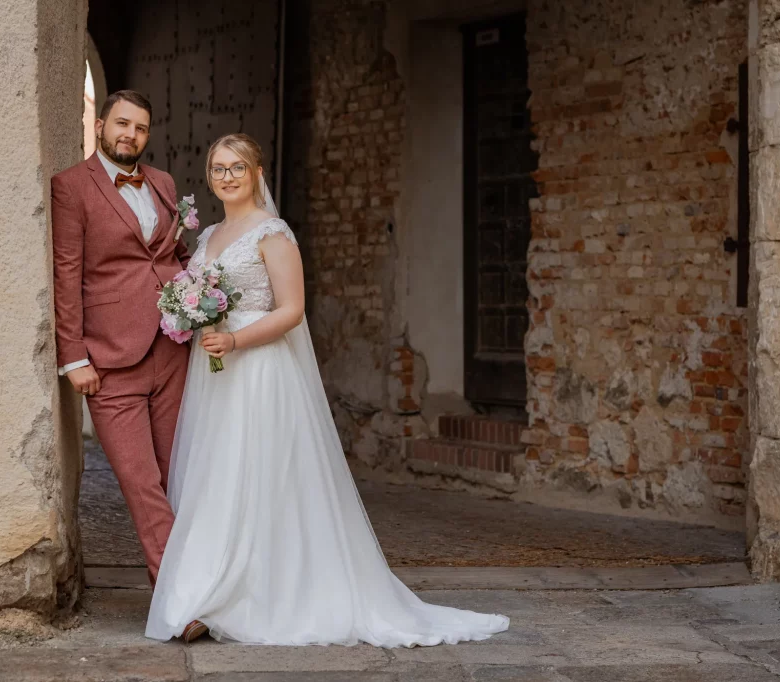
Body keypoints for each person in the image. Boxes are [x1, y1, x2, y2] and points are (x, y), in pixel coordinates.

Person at [145, 133, 510, 647]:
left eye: (237, 168)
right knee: (218, 475)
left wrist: (235, 338)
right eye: (218, 168)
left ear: (257, 173)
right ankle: (209, 591)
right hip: (215, 374)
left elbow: (291, 310)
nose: (226, 177)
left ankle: (267, 592)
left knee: (262, 475)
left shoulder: (272, 233)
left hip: (259, 368)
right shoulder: (209, 239)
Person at [50, 90, 204, 639]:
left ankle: (194, 591)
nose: (130, 136)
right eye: (121, 124)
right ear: (100, 127)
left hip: (172, 349)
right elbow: (66, 275)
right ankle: (181, 608)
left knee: (178, 476)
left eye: (140, 128)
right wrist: (74, 357)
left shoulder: (162, 183)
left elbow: (174, 256)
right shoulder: (71, 187)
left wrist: (200, 299)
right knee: (142, 484)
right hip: (110, 361)